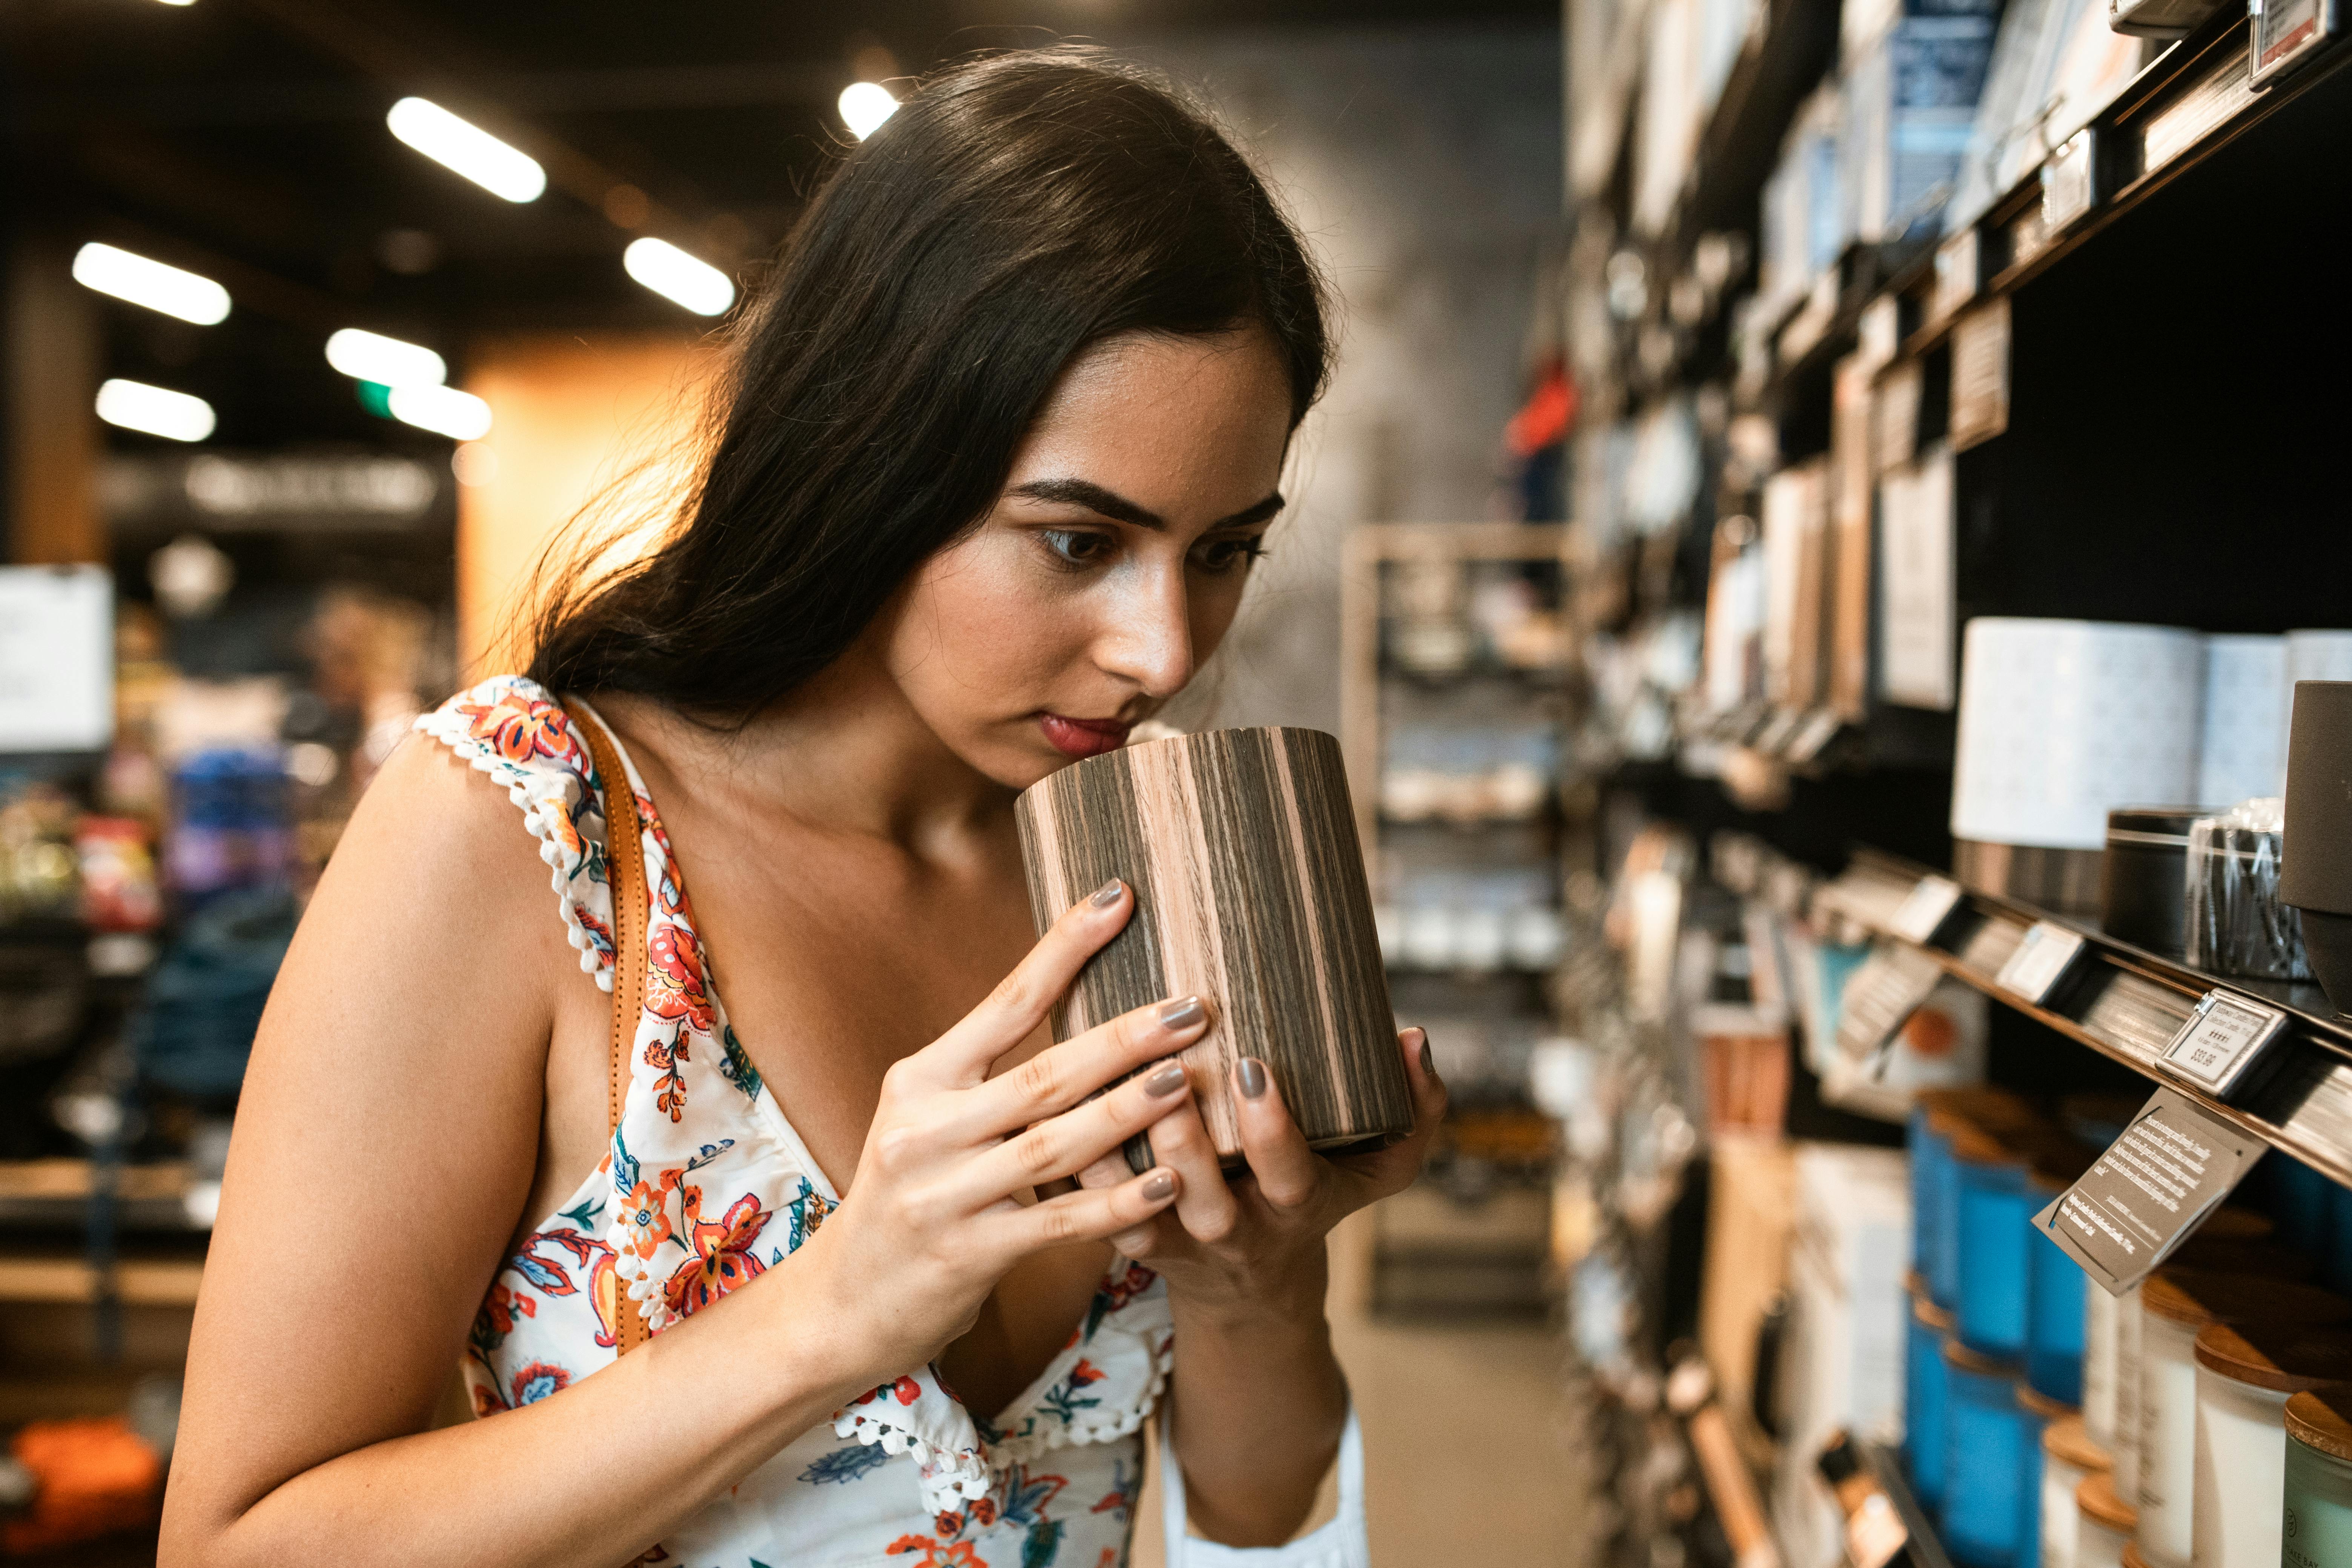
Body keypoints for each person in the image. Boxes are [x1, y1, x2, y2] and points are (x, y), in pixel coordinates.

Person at [160, 48, 1443, 1568]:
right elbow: (238, 1545)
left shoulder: (1117, 860)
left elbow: (1256, 1510)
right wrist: (836, 1307)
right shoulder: (531, 830)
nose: (1162, 650)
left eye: (1225, 549)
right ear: (872, 456)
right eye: (1079, 540)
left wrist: (1252, 1279)